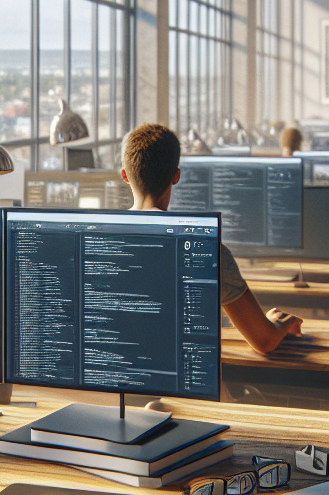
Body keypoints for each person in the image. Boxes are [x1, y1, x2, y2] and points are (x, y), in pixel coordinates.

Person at [120, 124, 303, 354]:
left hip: (110, 381)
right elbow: (264, 341)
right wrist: (280, 323)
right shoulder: (204, 250)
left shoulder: (95, 238)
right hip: (180, 387)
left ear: (125, 176)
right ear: (176, 176)